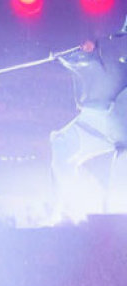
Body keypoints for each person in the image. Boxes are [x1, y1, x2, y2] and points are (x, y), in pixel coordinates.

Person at [50, 17, 127, 219]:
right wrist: (87, 49)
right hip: (101, 118)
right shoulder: (116, 43)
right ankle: (66, 213)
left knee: (120, 181)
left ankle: (115, 226)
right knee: (62, 144)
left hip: (122, 127)